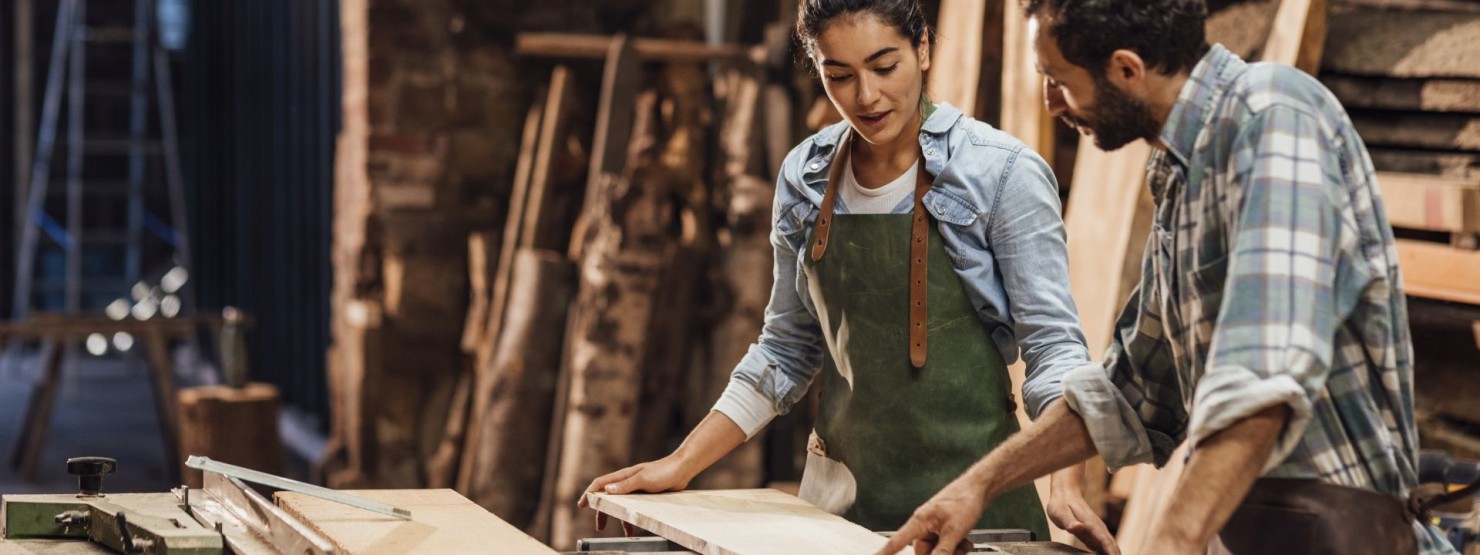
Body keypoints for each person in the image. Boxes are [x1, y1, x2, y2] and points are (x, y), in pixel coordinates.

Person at [880, 1, 1458, 554]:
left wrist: (1172, 541)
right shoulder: (1182, 172)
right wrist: (977, 486)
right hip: (1255, 531)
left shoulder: (1274, 118)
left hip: (1342, 535)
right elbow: (1130, 391)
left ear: (1127, 69)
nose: (1052, 103)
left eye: (1059, 79)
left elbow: (1263, 376)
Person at [578, 0, 1117, 551]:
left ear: (923, 47)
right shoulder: (804, 177)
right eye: (840, 76)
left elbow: (1054, 346)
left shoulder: (1002, 173)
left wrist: (1066, 482)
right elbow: (785, 351)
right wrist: (681, 463)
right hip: (835, 520)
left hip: (975, 514)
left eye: (885, 67)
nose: (866, 97)